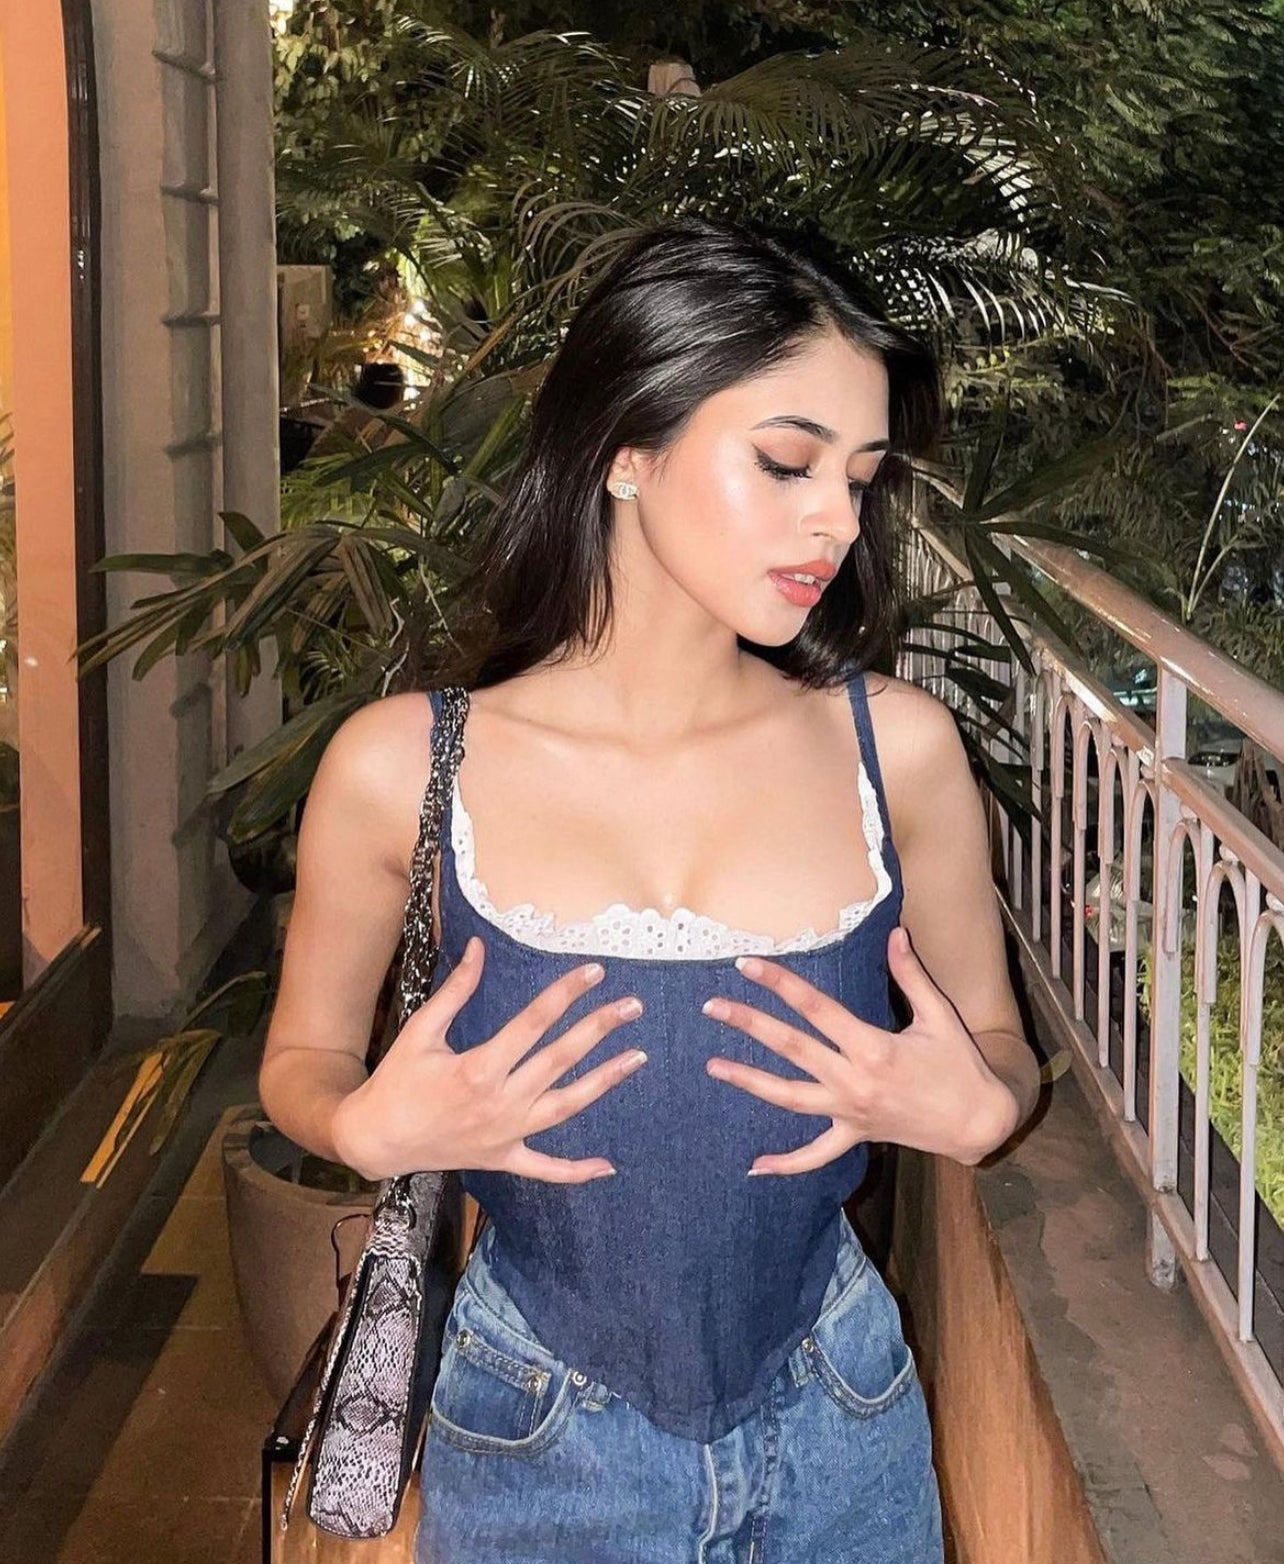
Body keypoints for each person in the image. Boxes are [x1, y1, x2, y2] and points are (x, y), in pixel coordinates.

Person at [258, 215, 1043, 1563]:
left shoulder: (897, 752)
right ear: (628, 447)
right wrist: (362, 1124)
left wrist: (984, 1103)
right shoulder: (402, 768)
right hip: (530, 1438)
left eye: (860, 479)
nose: (836, 521)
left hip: (846, 1420)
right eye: (786, 462)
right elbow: (302, 1060)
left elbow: (1000, 1050)